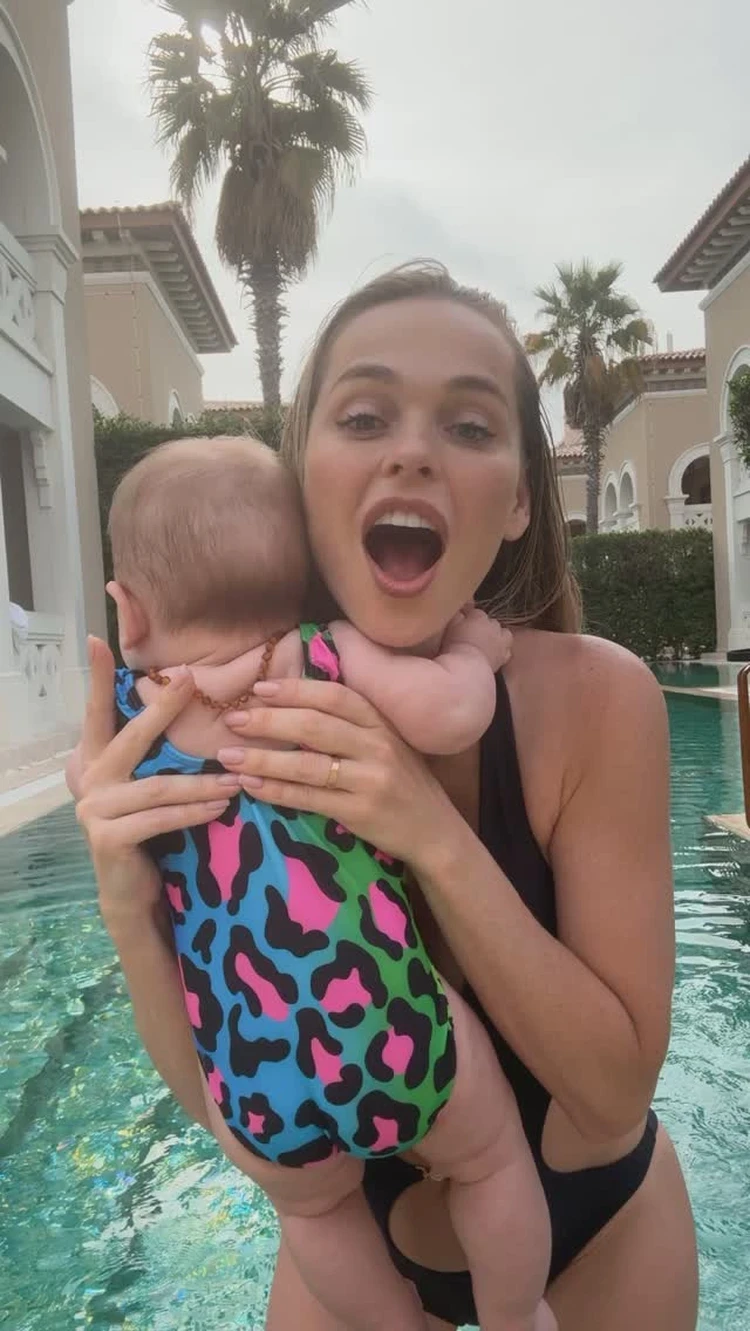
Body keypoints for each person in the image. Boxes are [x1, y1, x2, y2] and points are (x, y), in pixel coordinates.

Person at [71, 261, 699, 1331]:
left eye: (469, 426)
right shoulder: (191, 732)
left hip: (599, 1235)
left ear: (517, 500)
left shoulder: (598, 699)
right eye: (364, 417)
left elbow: (610, 1094)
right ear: (300, 482)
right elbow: (223, 1113)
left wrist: (425, 829)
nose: (411, 450)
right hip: (353, 1260)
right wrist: (127, 902)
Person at [103, 433, 553, 1331]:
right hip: (383, 1024)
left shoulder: (131, 725)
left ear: (130, 613)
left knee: (312, 1213)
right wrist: (474, 650)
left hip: (252, 1069)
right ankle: (517, 1317)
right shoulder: (318, 657)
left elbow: (96, 800)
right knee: (491, 1157)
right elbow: (452, 713)